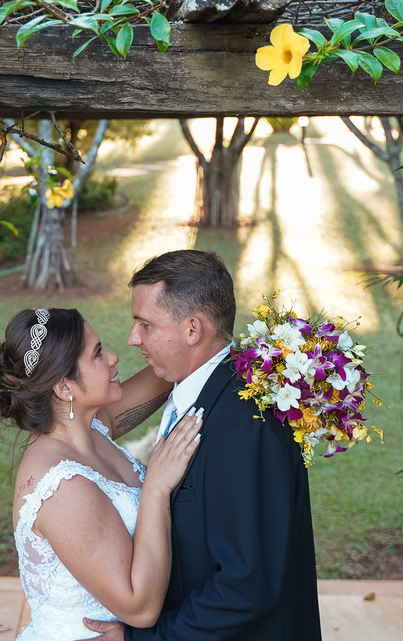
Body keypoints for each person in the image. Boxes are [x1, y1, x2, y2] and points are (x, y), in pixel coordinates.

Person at [85, 249, 323, 641]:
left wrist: (140, 639)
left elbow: (246, 586)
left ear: (193, 330)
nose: (132, 338)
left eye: (145, 324)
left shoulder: (246, 425)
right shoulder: (202, 388)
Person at [0, 307, 204, 641]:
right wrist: (156, 487)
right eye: (97, 353)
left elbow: (173, 368)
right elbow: (140, 608)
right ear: (63, 386)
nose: (113, 357)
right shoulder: (61, 488)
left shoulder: (93, 427)